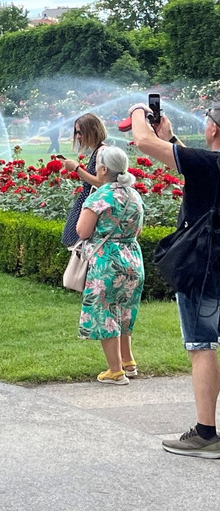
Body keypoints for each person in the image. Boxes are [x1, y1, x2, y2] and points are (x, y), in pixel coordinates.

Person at [129, 102, 220, 458]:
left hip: (205, 267)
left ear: (213, 130)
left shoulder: (210, 163)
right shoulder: (207, 165)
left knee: (202, 346)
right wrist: (171, 139)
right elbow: (200, 171)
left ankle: (205, 433)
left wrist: (138, 112)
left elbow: (143, 143)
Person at [73, 145, 144, 385]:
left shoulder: (100, 196)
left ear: (103, 169)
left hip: (107, 262)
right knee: (124, 311)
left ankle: (115, 371)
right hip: (133, 259)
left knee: (105, 312)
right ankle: (128, 362)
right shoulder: (134, 195)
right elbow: (139, 230)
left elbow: (82, 231)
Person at [61, 113, 108, 248]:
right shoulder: (97, 151)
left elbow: (101, 183)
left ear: (93, 130)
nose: (78, 136)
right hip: (87, 202)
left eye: (80, 132)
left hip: (92, 204)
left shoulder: (102, 152)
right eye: (77, 132)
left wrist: (77, 168)